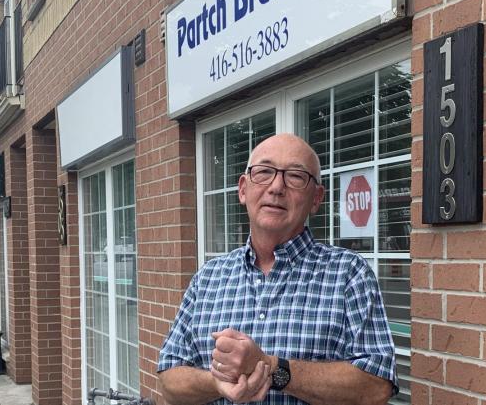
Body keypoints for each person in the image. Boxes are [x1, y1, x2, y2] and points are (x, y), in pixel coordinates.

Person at [157, 134, 398, 405]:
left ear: (316, 198)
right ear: (243, 189)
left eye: (295, 176)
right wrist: (217, 381)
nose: (276, 187)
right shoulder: (208, 278)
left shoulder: (349, 274)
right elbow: (169, 381)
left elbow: (376, 386)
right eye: (264, 172)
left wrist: (272, 368)